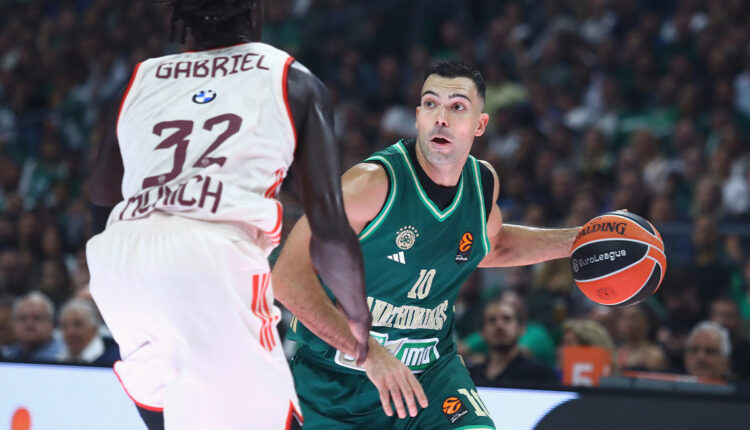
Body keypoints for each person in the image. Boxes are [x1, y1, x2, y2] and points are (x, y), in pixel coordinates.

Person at [85, 1, 371, 429]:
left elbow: (102, 195)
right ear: (253, 12)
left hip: (117, 256)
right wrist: (356, 314)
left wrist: (123, 272)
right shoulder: (291, 79)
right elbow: (329, 228)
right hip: (210, 255)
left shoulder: (140, 77)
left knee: (168, 411)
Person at [274, 60, 580, 429]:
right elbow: (287, 278)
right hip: (334, 385)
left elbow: (493, 246)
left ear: (479, 124)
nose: (441, 118)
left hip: (430, 377)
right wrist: (368, 352)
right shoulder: (371, 184)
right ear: (419, 117)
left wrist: (580, 240)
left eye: (457, 107)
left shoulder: (482, 184)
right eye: (431, 104)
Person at [467, 299, 558, 387]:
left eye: (507, 319)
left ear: (521, 328)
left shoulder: (540, 374)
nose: (499, 325)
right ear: (482, 332)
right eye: (492, 320)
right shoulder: (469, 376)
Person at [4, 291, 65, 362]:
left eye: (37, 318)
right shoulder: (7, 356)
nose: (29, 324)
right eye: (22, 318)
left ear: (52, 324)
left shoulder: (64, 357)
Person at [57, 298, 120, 366]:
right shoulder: (58, 359)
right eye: (65, 326)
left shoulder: (115, 359)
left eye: (78, 325)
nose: (70, 333)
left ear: (95, 328)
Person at [708, 298, 750, 381]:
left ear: (738, 320)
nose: (723, 321)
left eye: (729, 316)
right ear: (710, 318)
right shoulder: (699, 346)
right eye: (718, 315)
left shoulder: (747, 350)